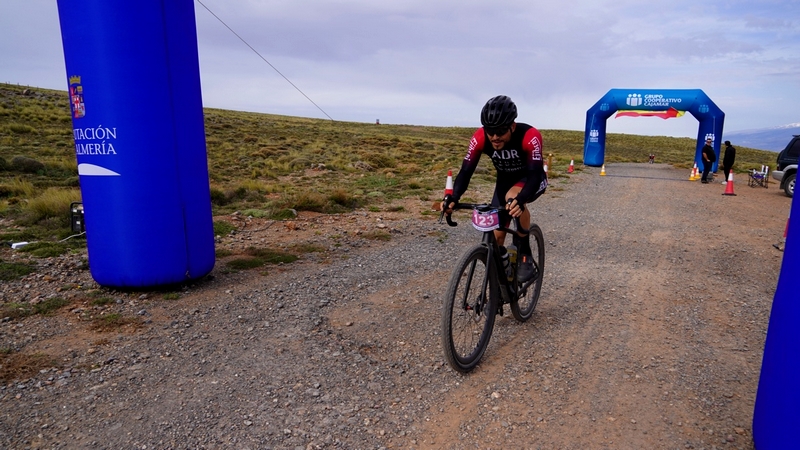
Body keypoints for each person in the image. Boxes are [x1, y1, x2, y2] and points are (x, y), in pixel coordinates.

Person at [442, 95, 548, 282]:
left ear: (512, 126)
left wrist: (521, 200)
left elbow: (534, 175)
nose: (495, 137)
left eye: (500, 131)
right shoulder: (480, 138)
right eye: (490, 131)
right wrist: (454, 197)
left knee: (513, 198)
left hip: (532, 178)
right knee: (497, 238)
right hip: (504, 182)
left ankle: (525, 252)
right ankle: (504, 276)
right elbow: (466, 171)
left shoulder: (530, 136)